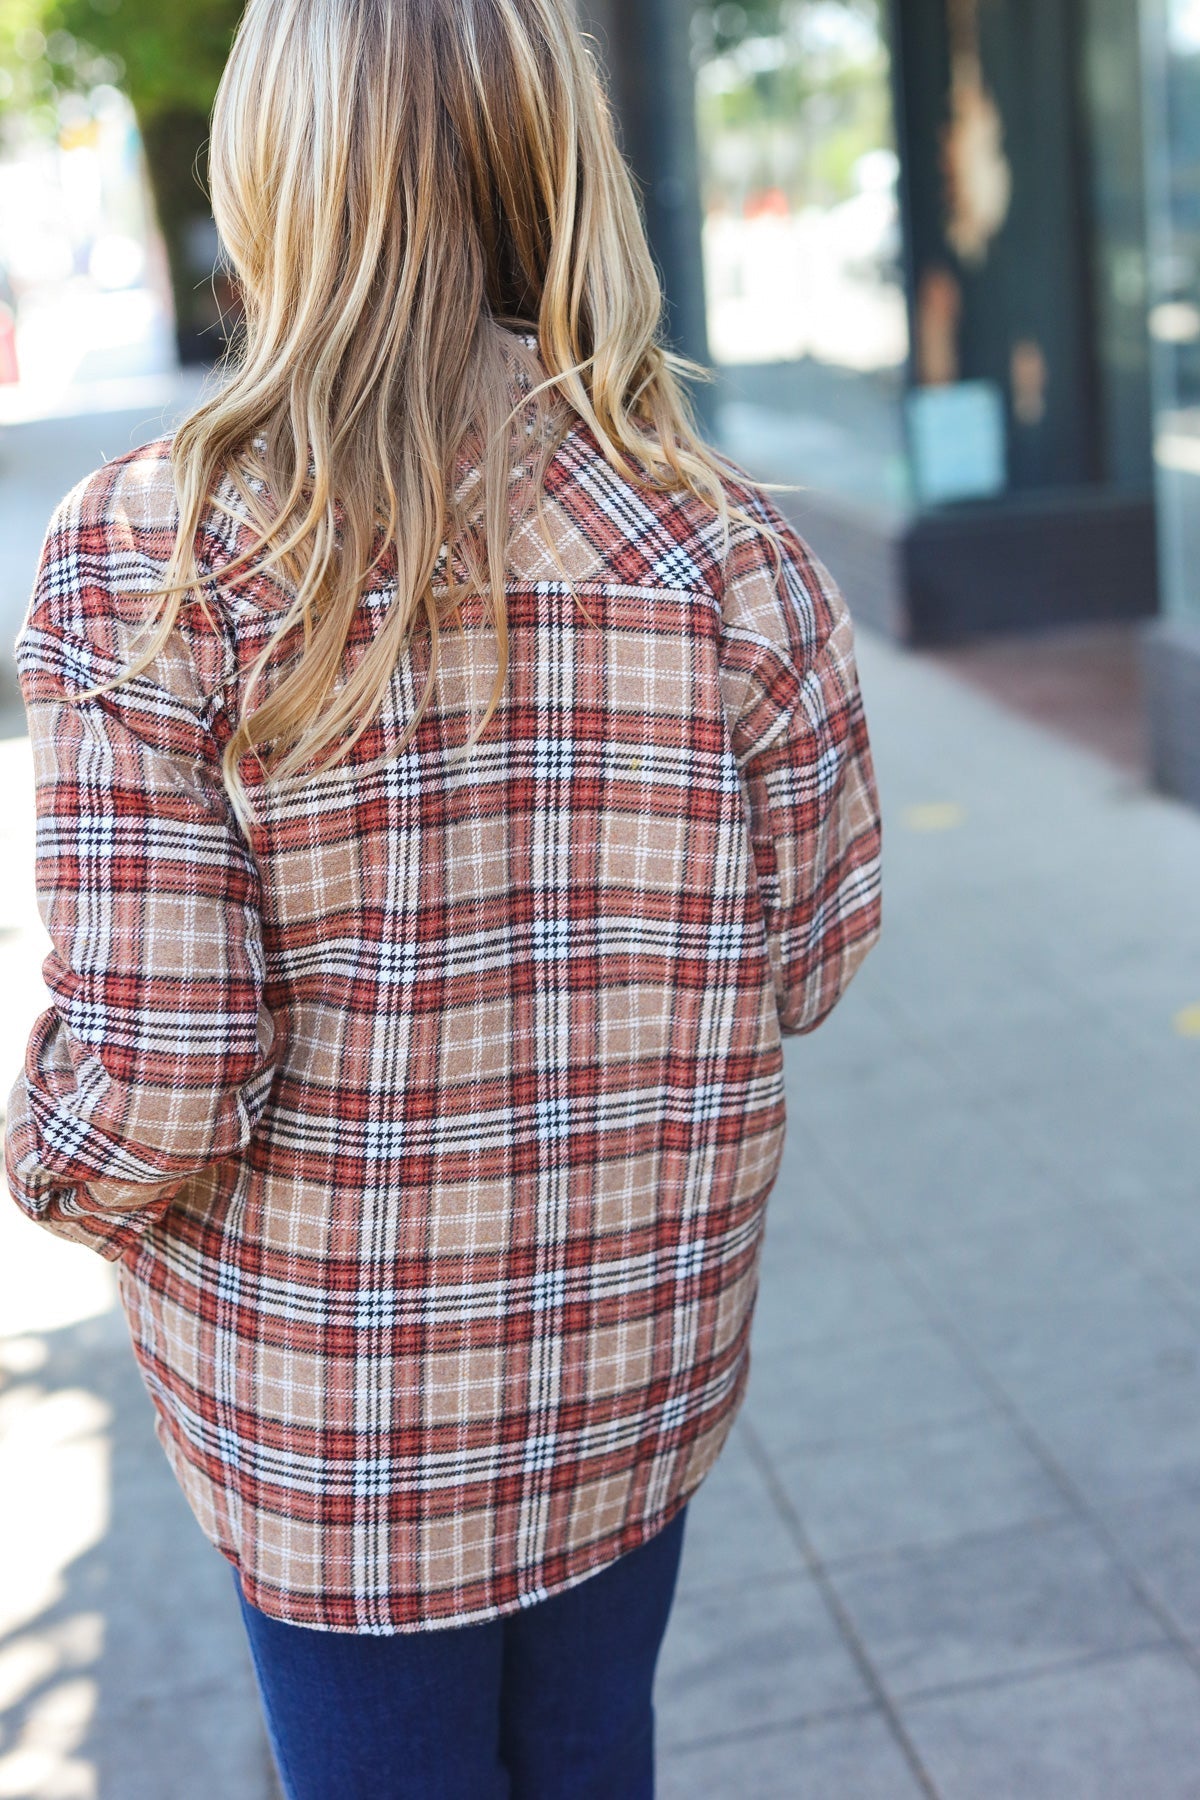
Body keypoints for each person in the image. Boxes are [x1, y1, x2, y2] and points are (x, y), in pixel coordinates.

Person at [4, 1, 883, 1794]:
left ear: (275, 169)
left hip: (339, 1432)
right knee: (591, 1760)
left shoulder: (151, 555)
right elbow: (818, 949)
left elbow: (158, 1078)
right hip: (635, 1358)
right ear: (559, 163)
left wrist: (42, 1155)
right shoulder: (721, 540)